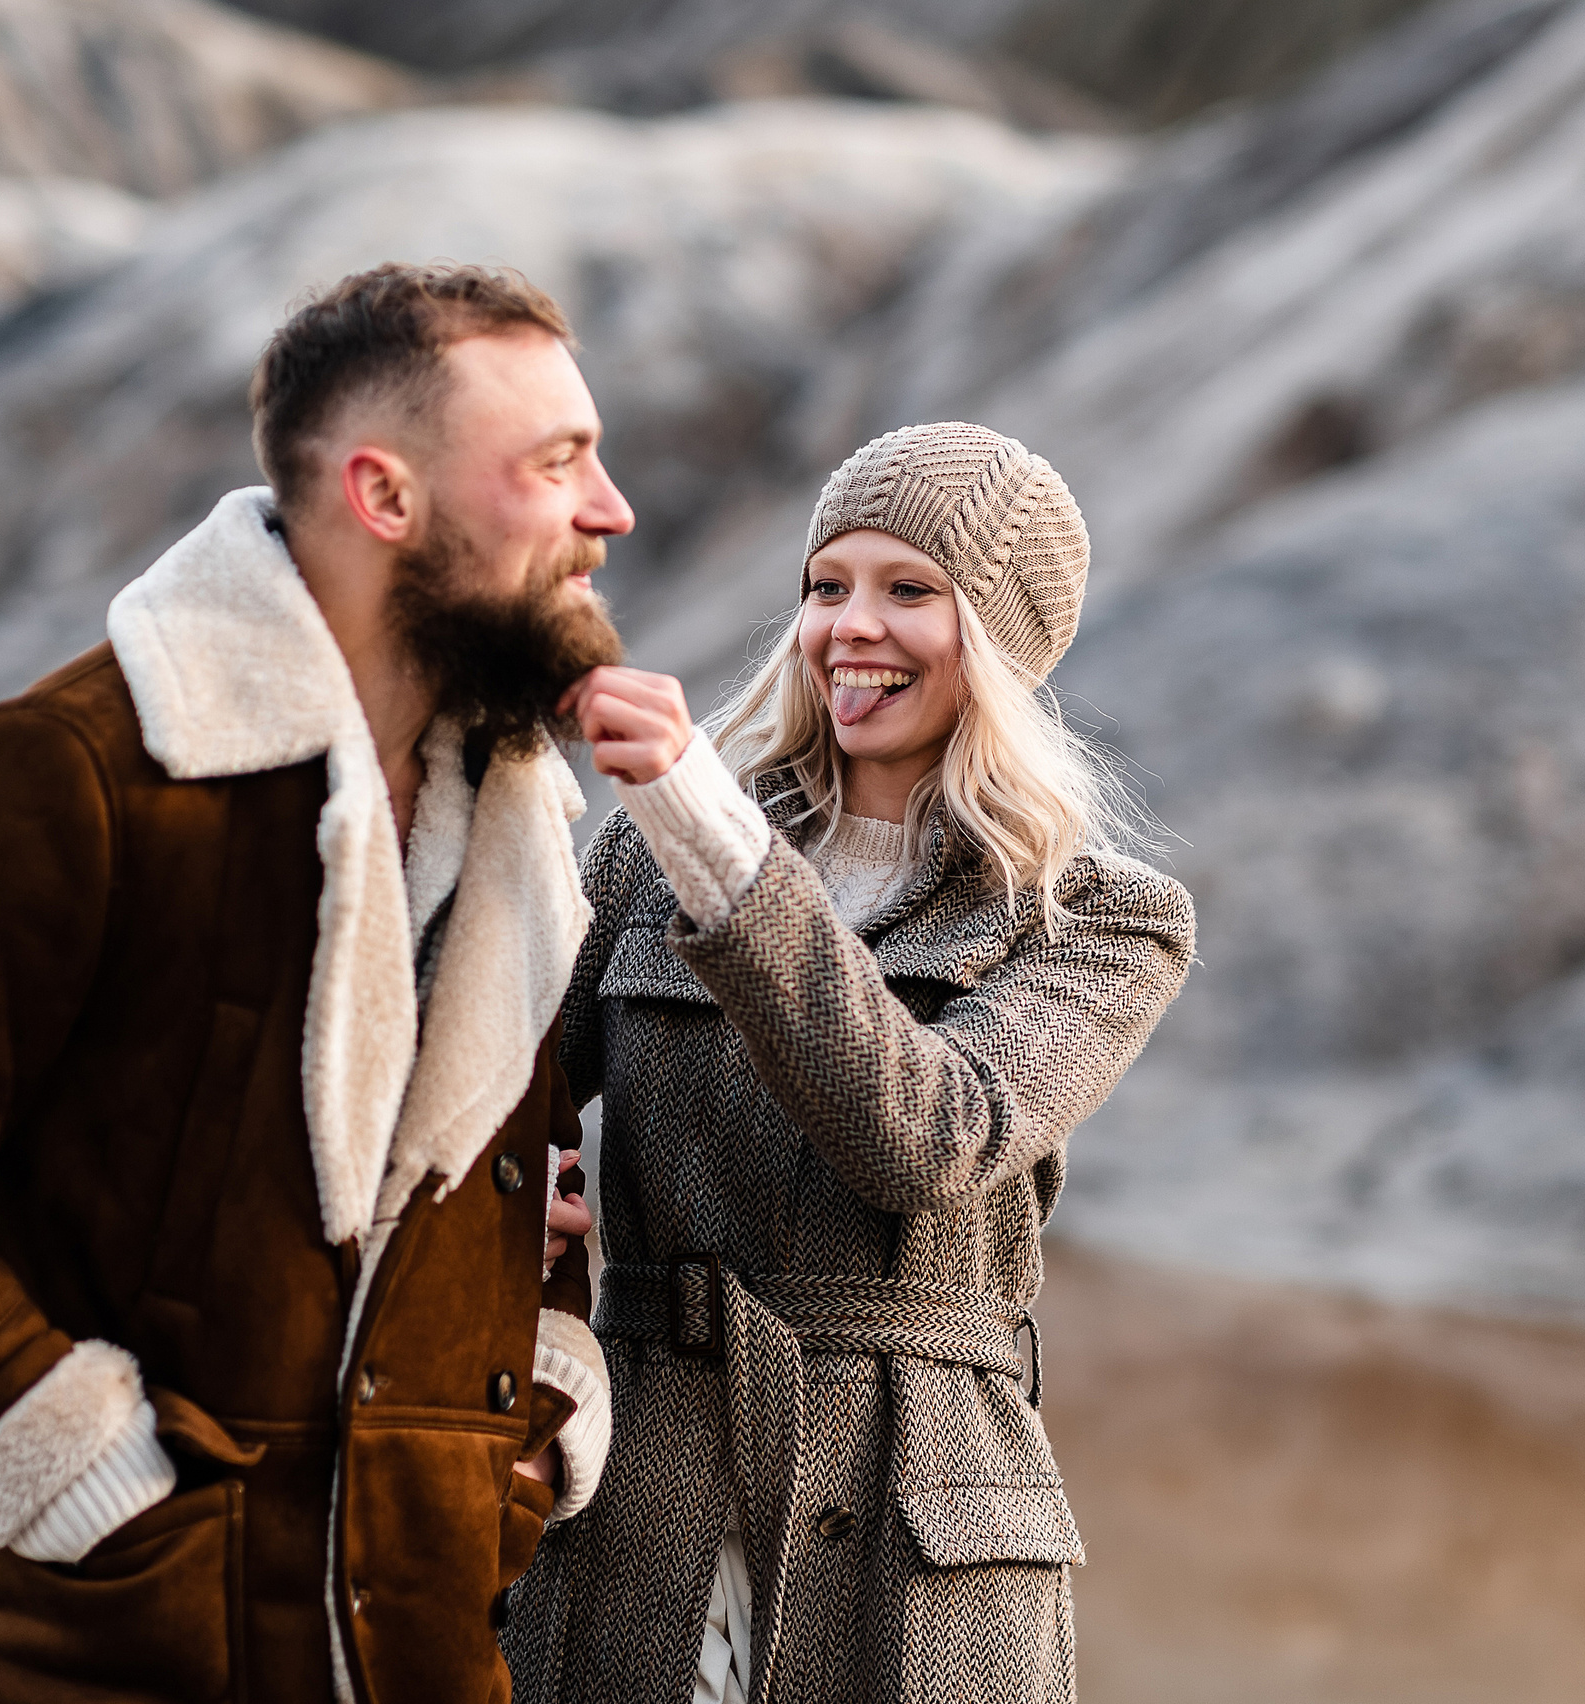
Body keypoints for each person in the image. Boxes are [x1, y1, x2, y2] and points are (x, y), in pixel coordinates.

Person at [0, 262, 630, 1704]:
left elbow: (507, 1204)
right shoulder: (82, 770)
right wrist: (87, 1479)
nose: (611, 510)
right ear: (385, 497)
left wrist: (521, 1445)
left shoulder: (513, 814)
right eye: (557, 464)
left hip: (411, 1653)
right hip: (88, 1655)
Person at [502, 422, 1198, 1702]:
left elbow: (930, 1142)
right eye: (827, 587)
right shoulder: (643, 858)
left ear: (997, 640)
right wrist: (522, 1268)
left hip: (920, 1520)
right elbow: (489, 1103)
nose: (848, 627)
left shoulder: (1098, 918)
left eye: (909, 591)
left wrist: (718, 839)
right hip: (639, 1480)